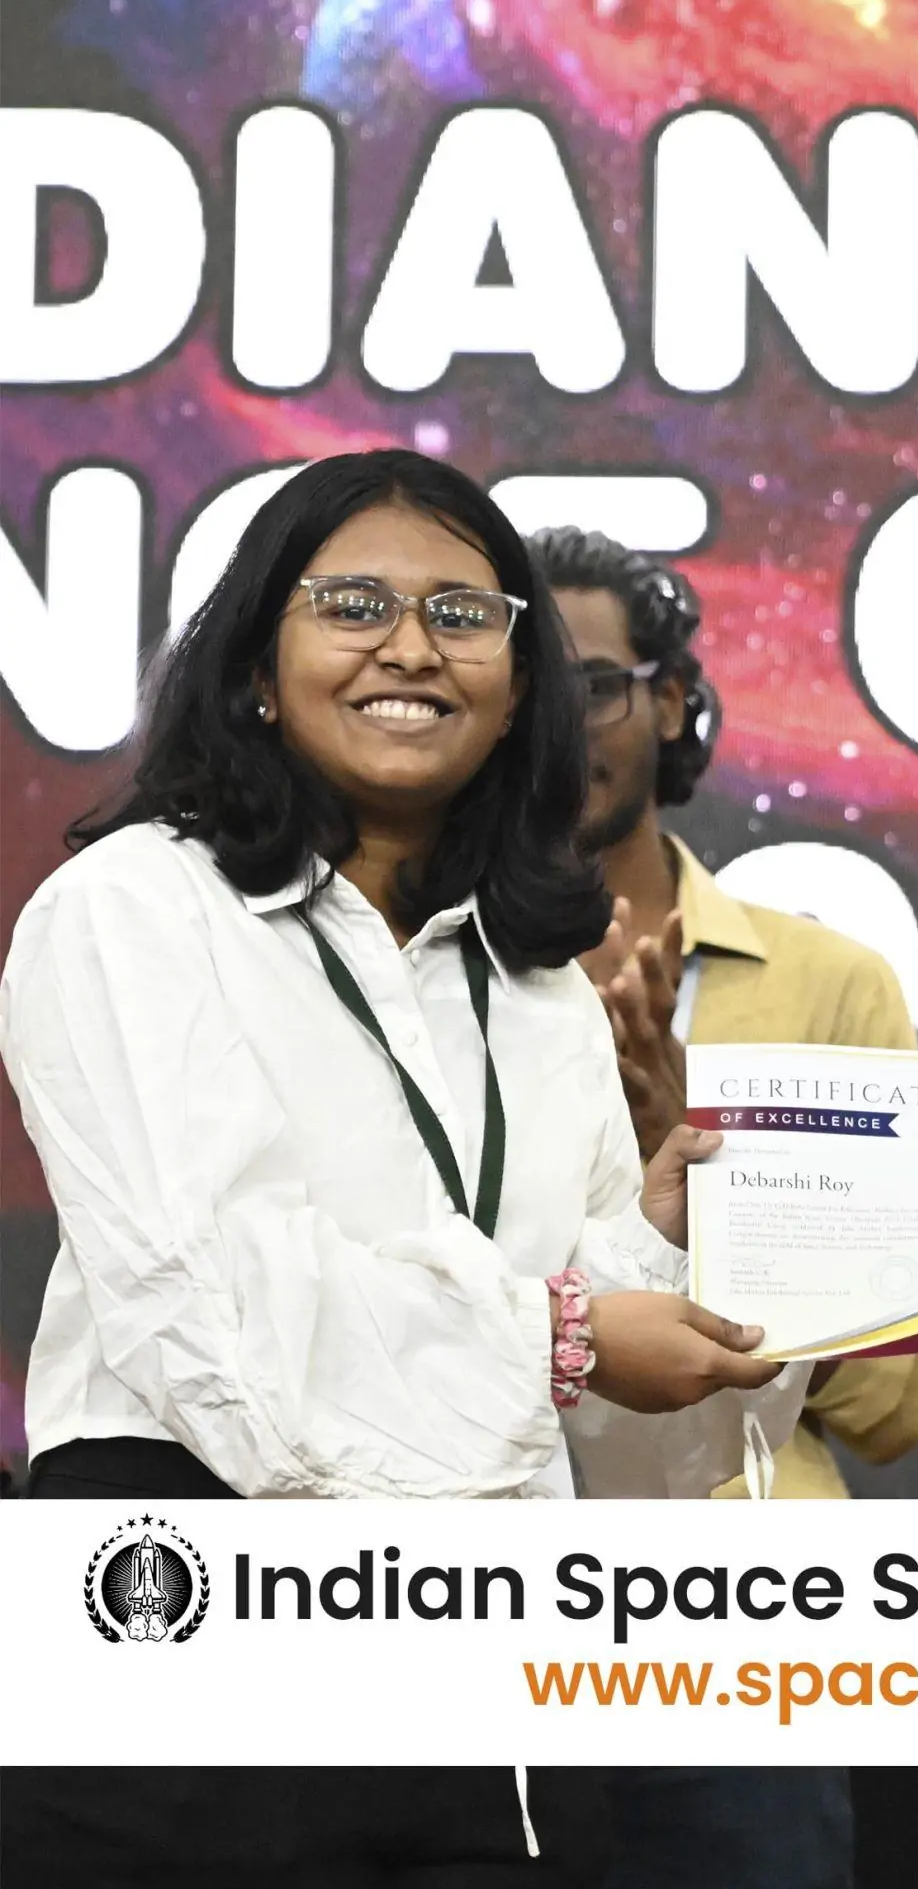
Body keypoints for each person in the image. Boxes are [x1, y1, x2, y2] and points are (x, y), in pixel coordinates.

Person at [0, 451, 783, 1886]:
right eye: (353, 604)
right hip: (189, 1662)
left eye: (463, 615)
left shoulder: (537, 988)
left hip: (496, 1699)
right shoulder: (134, 908)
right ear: (256, 667)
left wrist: (655, 1251)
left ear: (519, 690)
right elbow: (215, 1317)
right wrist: (569, 1329)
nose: (412, 647)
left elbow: (595, 1413)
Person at [528, 524, 918, 1889]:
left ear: (667, 701)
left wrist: (706, 1180)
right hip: (465, 1587)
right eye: (521, 682)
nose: (552, 722)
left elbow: (900, 1403)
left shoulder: (829, 989)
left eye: (591, 684)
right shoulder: (417, 978)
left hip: (736, 1623)